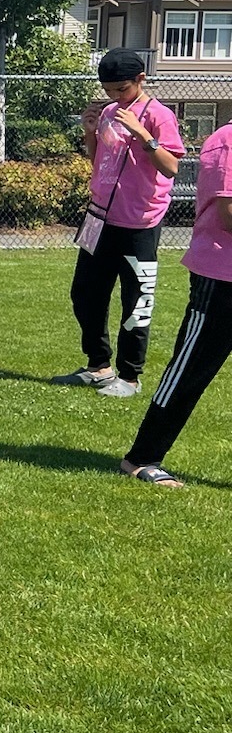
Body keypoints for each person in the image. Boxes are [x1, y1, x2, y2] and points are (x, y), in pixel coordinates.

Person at [58, 49, 185, 397]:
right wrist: (90, 133)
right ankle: (98, 366)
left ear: (141, 79)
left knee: (136, 301)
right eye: (109, 90)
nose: (115, 96)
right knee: (85, 293)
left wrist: (143, 133)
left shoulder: (159, 115)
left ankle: (130, 376)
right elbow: (100, 161)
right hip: (99, 217)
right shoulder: (109, 113)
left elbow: (171, 167)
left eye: (122, 89)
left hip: (139, 222)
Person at [121, 118, 232, 485]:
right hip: (222, 277)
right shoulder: (227, 141)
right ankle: (142, 458)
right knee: (189, 370)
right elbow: (228, 215)